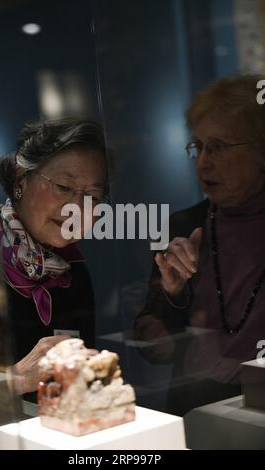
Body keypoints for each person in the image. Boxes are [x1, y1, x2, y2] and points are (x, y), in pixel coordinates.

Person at [134, 74, 265, 416]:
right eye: (198, 147)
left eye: (219, 146)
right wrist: (171, 296)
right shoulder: (182, 226)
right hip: (196, 406)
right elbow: (153, 343)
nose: (203, 162)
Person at [0, 117, 108, 396]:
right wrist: (14, 381)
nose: (76, 208)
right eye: (64, 188)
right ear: (21, 178)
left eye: (92, 195)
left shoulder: (74, 272)